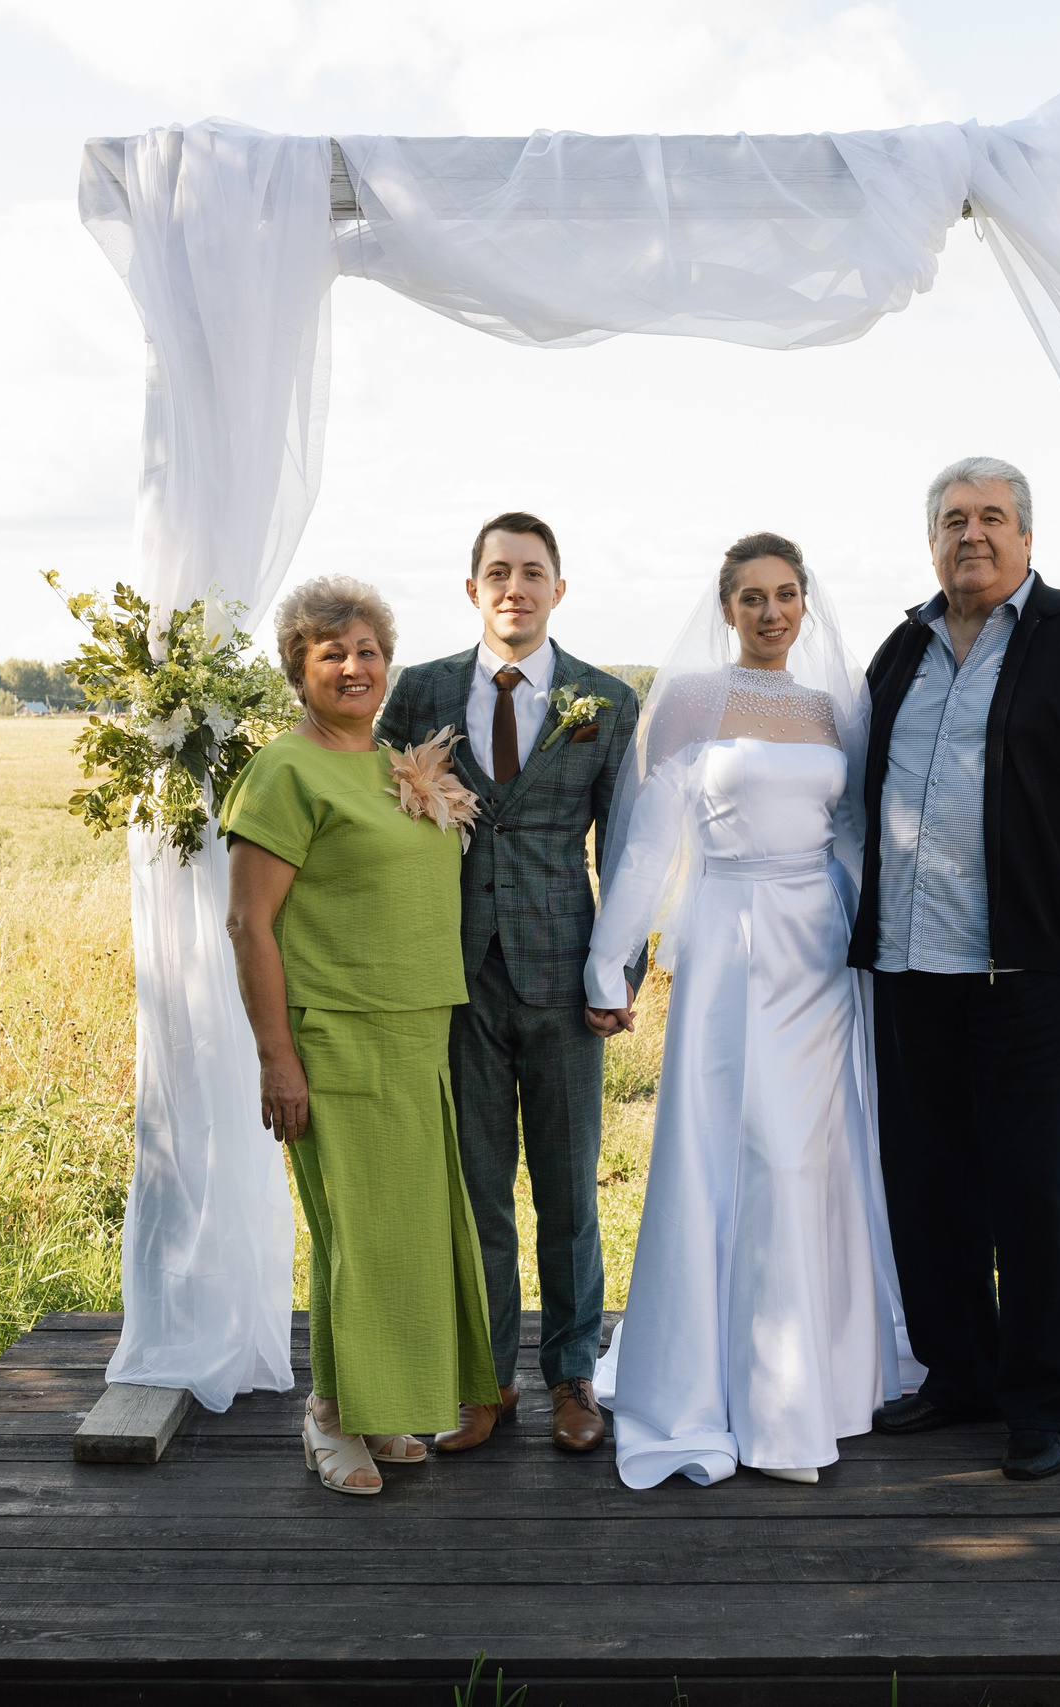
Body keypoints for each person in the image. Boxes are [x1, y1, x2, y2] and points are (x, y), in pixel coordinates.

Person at [850, 457, 1060, 1482]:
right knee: (930, 1185)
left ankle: (1040, 1403)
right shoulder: (898, 651)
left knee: (1037, 1193)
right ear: (930, 540)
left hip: (1031, 973)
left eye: (992, 518)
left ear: (1027, 538)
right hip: (908, 970)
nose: (971, 535)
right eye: (952, 520)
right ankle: (961, 1377)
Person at [583, 533, 919, 1489]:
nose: (771, 612)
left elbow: (854, 829)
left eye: (785, 596)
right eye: (751, 598)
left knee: (807, 1154)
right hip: (729, 943)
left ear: (804, 604)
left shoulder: (829, 708)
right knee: (731, 1151)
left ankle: (815, 1386)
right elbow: (649, 844)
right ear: (725, 607)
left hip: (816, 948)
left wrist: (873, 945)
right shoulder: (691, 699)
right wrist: (613, 961)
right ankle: (729, 1390)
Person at [217, 574, 495, 1497]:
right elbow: (249, 924)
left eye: (369, 649)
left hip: (418, 1034)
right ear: (299, 668)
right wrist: (276, 1057)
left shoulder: (391, 766)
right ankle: (330, 1413)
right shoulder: (283, 770)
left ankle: (380, 1409)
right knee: (359, 1235)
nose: (354, 665)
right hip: (336, 1033)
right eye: (332, 651)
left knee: (406, 1232)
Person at [373, 513, 641, 1455]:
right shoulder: (422, 691)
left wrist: (620, 969)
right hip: (452, 975)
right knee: (477, 1189)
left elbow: (630, 849)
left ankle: (572, 1377)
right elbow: (382, 820)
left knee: (569, 1192)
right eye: (497, 572)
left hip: (566, 977)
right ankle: (483, 1381)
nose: (513, 587)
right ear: (472, 588)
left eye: (532, 572)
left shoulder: (603, 701)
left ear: (558, 589)